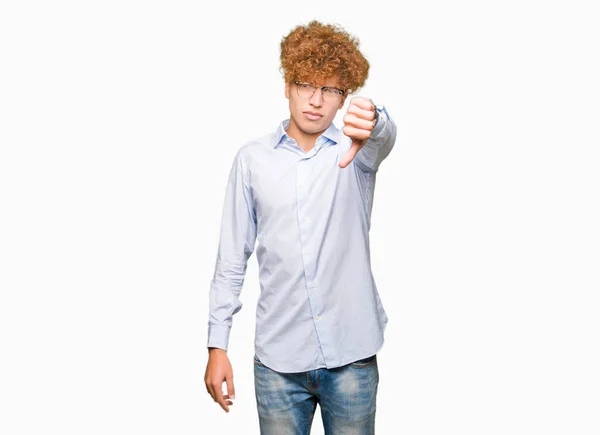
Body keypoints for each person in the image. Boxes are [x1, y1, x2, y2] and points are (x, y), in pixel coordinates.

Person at [204, 20, 397, 434]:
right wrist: (217, 344)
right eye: (306, 83)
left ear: (343, 96)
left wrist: (375, 120)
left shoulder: (356, 152)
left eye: (331, 89)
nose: (316, 100)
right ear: (287, 85)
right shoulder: (252, 160)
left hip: (352, 356)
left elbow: (382, 135)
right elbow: (231, 258)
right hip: (278, 364)